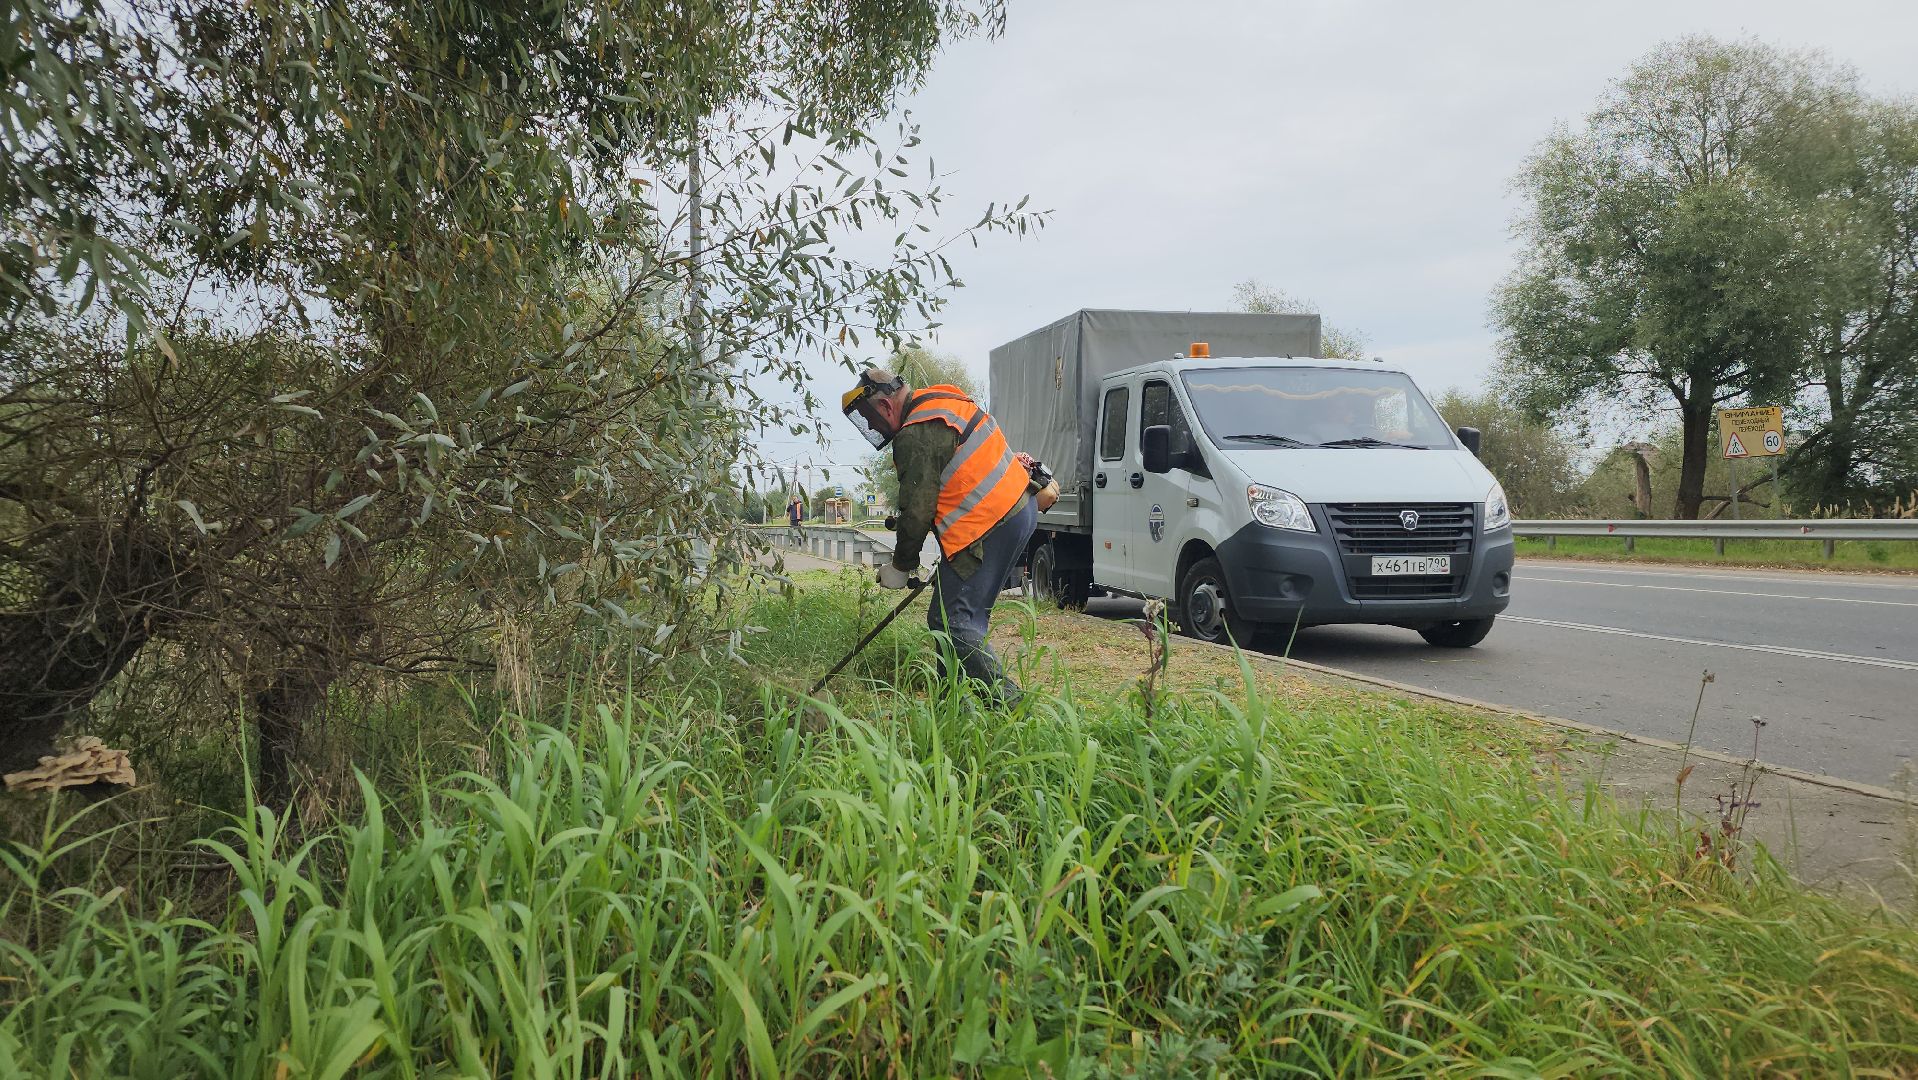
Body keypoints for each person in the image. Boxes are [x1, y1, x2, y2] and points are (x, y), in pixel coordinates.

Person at [841, 366, 1046, 706]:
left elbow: (917, 511)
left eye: (871, 418)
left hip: (989, 524)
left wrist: (901, 566)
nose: (874, 427)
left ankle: (1013, 706)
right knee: (952, 617)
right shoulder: (940, 401)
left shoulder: (915, 432)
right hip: (1019, 509)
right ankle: (951, 707)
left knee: (953, 623)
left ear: (886, 406)